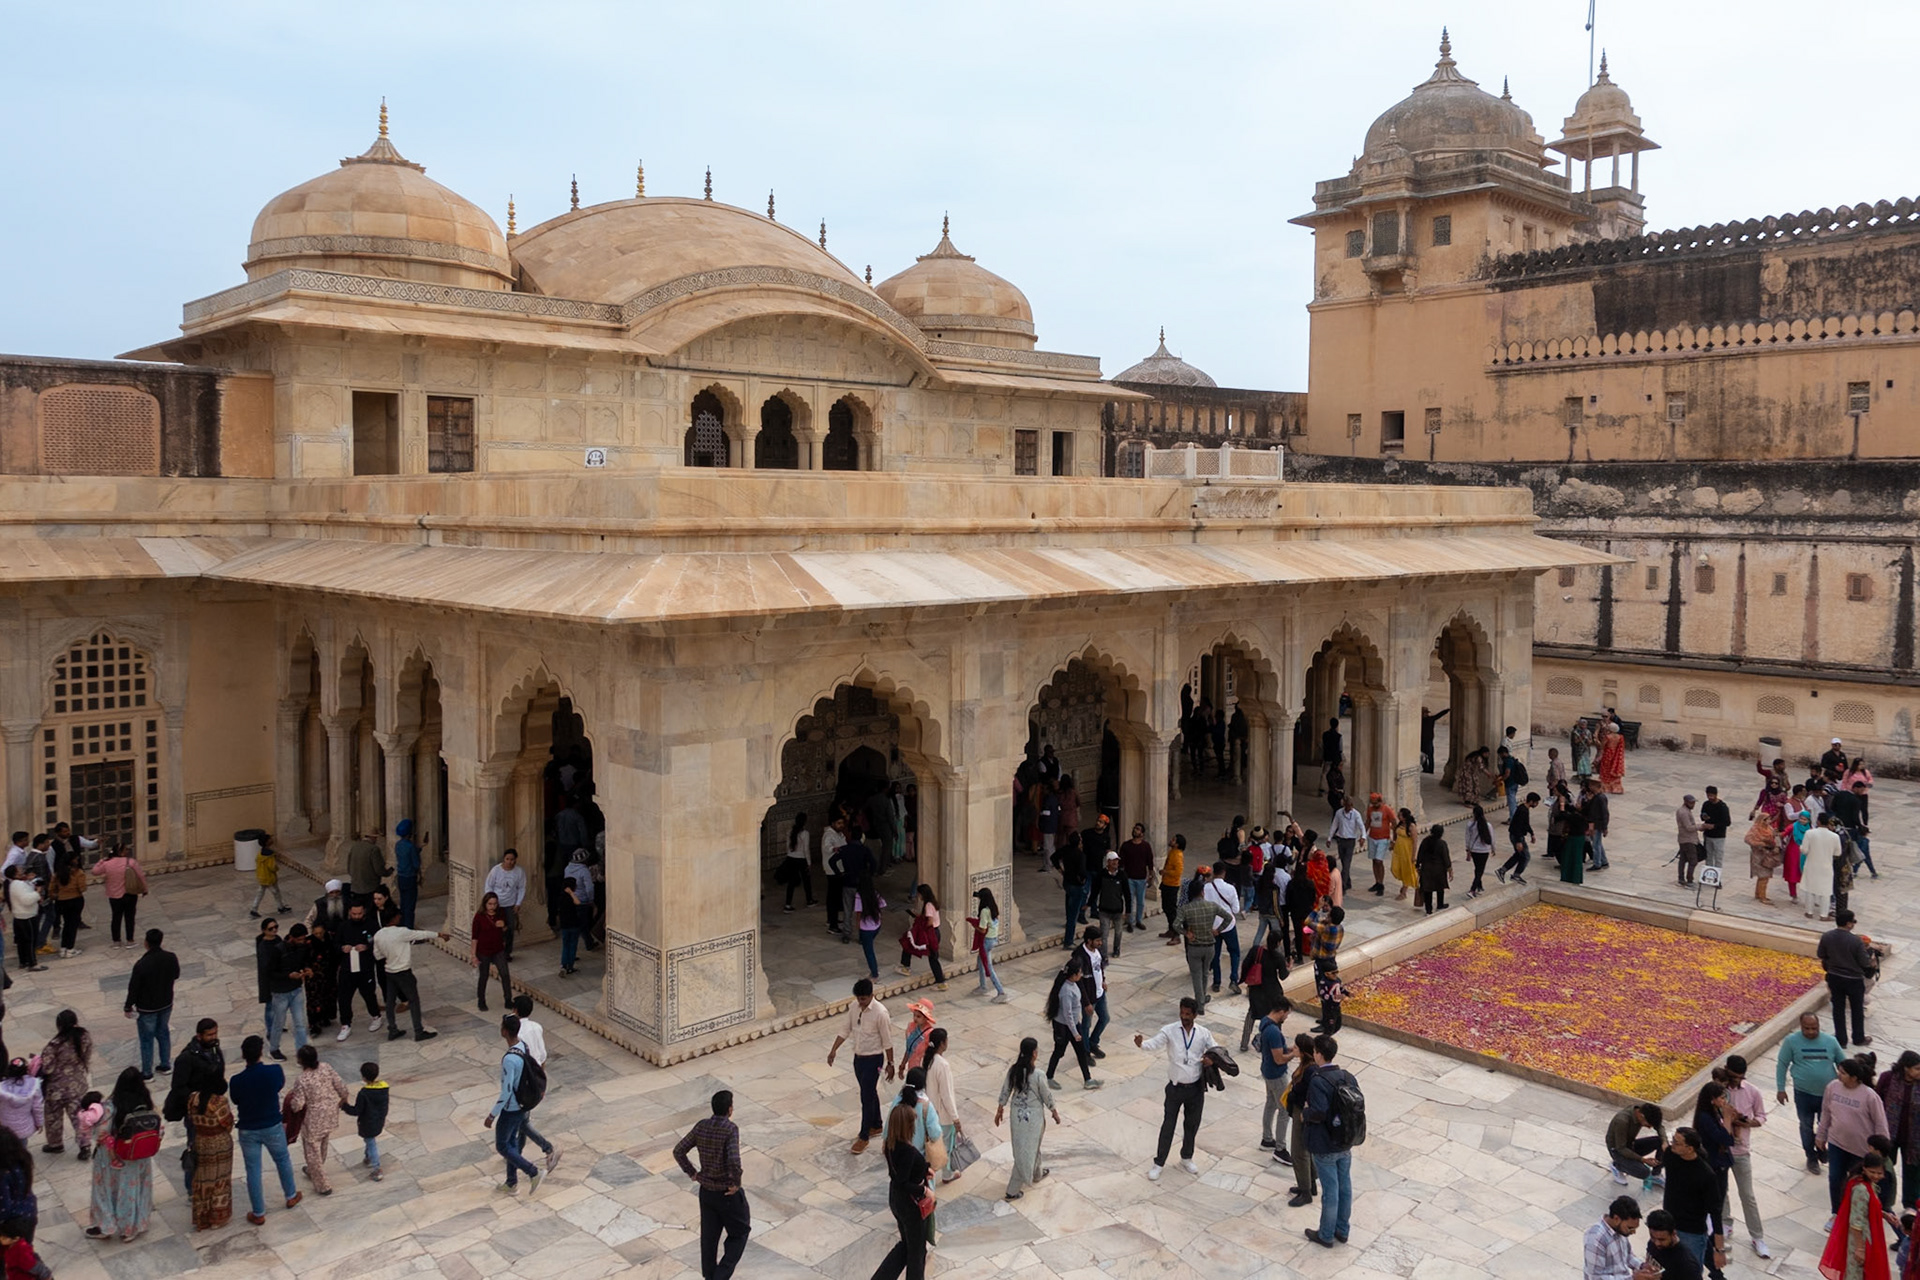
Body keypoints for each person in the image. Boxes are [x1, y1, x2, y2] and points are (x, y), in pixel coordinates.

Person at [1136, 997, 1217, 1180]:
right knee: (1168, 1126)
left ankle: (1186, 1157)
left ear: (1195, 1015)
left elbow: (1217, 1049)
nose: (1184, 1017)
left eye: (1188, 1014)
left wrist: (1211, 1058)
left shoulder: (1203, 1033)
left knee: (1192, 1124)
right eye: (1182, 1013)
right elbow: (1155, 1043)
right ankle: (1158, 1163)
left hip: (1195, 1088)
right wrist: (1141, 1044)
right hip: (1175, 1088)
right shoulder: (1169, 1031)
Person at [675, 1089, 749, 1280]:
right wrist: (736, 1182)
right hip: (727, 1194)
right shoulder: (730, 1129)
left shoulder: (701, 1126)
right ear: (730, 1109)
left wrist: (692, 1172)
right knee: (740, 1233)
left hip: (706, 1192)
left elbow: (679, 1150)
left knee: (708, 1242)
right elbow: (734, 1160)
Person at [229, 1034, 300, 1226]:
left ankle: (259, 1212)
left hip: (248, 1129)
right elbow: (279, 1086)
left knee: (253, 1170)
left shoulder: (236, 1080)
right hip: (271, 1125)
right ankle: (291, 1195)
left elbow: (235, 1099)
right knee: (282, 1159)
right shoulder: (274, 1071)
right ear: (260, 1053)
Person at [1301, 1033, 1361, 1249]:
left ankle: (1326, 1234)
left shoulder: (1318, 1080)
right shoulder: (1348, 1076)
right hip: (1345, 1141)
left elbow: (1319, 1112)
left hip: (1325, 1144)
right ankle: (1342, 1230)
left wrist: (1305, 1114)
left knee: (1331, 1191)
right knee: (1345, 1187)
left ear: (1318, 1053)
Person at [85, 1067, 156, 1242]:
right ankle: (130, 1229)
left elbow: (101, 1132)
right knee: (133, 1191)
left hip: (113, 1157)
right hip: (138, 1157)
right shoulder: (146, 1104)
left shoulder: (110, 1107)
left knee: (104, 1192)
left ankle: (105, 1226)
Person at [827, 978, 895, 1154]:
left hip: (874, 1059)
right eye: (859, 998)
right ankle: (877, 1124)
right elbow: (845, 1029)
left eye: (863, 999)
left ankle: (863, 1136)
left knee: (866, 1096)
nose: (861, 1002)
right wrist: (833, 1050)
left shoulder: (881, 1013)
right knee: (869, 1091)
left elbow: (888, 1041)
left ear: (872, 995)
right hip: (858, 1058)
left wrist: (891, 1063)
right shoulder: (854, 1007)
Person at [1821, 1056, 1891, 1214]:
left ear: (1854, 1077)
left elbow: (1880, 1123)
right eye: (1839, 1071)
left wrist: (1882, 1150)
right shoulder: (1832, 1087)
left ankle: (1855, 1214)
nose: (1839, 1075)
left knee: (1857, 1184)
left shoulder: (1870, 1096)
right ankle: (1836, 1212)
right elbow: (1826, 1112)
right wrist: (1821, 1135)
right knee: (1835, 1179)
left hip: (1860, 1149)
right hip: (1836, 1143)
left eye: (1843, 1073)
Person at [1779, 1012, 1847, 1173]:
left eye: (1814, 1028)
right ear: (1801, 1026)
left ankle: (1822, 1150)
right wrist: (1781, 1088)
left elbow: (1843, 1064)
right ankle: (1811, 1156)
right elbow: (1782, 1065)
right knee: (1806, 1126)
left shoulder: (1830, 1041)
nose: (1810, 1032)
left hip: (1827, 1095)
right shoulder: (1791, 1042)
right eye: (1806, 1028)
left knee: (1826, 1125)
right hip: (1803, 1094)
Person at [485, 1015, 545, 1195]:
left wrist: (492, 1114)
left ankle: (533, 1172)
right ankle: (511, 1182)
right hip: (522, 1105)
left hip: (511, 1108)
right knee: (511, 1143)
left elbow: (507, 1090)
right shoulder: (522, 1046)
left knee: (502, 1146)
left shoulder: (510, 1059)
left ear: (504, 1031)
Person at [871, 1097, 931, 1280]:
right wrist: (924, 1191)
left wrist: (924, 1169)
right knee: (917, 1250)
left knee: (907, 1245)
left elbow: (900, 1176)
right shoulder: (909, 1152)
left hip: (896, 1200)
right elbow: (904, 1183)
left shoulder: (890, 1146)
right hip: (909, 1205)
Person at [995, 1036, 1058, 1201]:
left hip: (1017, 1117)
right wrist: (1054, 1111)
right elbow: (1046, 1094)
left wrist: (1000, 1109)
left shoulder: (1013, 1071)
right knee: (1025, 1152)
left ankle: (1036, 1172)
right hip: (1034, 1118)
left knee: (1030, 1146)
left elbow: (1005, 1091)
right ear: (1034, 1053)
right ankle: (1012, 1190)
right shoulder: (1038, 1075)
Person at [1819, 1151, 1900, 1280]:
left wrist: (1884, 1214)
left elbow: (1867, 1208)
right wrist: (1860, 1249)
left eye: (1879, 1173)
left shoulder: (1867, 1184)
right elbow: (1856, 1222)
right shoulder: (1861, 1189)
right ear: (1864, 1169)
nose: (1876, 1176)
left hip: (1865, 1237)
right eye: (1872, 1172)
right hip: (1860, 1239)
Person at [1721, 1054, 1771, 1258]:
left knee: (1747, 1195)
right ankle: (1725, 1223)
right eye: (1734, 1077)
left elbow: (1761, 1117)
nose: (1737, 1081)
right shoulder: (1719, 1091)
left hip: (1741, 1151)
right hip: (1721, 1150)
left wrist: (1745, 1123)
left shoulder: (1752, 1091)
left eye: (1740, 1077)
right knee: (1720, 1190)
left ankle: (1757, 1236)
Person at [284, 1044, 349, 1196]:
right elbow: (341, 1085)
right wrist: (343, 1099)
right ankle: (314, 1169)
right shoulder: (326, 1067)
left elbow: (298, 1105)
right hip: (330, 1113)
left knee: (312, 1151)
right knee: (323, 1143)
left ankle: (323, 1185)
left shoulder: (302, 1079)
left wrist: (290, 1102)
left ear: (301, 1061)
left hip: (313, 1119)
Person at [1660, 1127, 1726, 1274]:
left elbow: (1715, 1213)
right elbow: (1665, 1145)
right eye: (1673, 1141)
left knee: (1690, 1273)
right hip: (1668, 1226)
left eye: (1676, 1143)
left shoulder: (1706, 1175)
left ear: (1689, 1148)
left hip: (1691, 1233)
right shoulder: (1671, 1155)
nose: (1672, 1145)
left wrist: (1719, 1250)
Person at [506, 995, 559, 1173]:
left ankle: (548, 1148)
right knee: (523, 1118)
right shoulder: (537, 1027)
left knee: (521, 1122)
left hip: (524, 1080)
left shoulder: (517, 1033)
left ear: (516, 1011)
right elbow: (542, 1054)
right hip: (537, 1076)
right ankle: (517, 1155)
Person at [373, 916, 447, 1042]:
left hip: (390, 972)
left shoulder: (378, 935)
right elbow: (420, 934)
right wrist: (439, 934)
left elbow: (377, 955)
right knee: (413, 1000)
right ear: (394, 918)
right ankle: (418, 1031)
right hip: (403, 973)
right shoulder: (401, 932)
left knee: (390, 1002)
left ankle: (392, 1029)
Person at [1173, 870, 1233, 1013]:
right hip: (1209, 945)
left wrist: (1186, 933)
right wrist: (1218, 930)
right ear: (1202, 892)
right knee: (1205, 973)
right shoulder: (1211, 906)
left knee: (1196, 976)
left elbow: (1175, 925)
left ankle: (1199, 1003)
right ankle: (1202, 998)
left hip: (1194, 946)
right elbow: (1229, 917)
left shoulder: (1186, 909)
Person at [185, 1073, 235, 1231]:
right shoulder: (219, 1102)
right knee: (220, 1179)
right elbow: (228, 1123)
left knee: (203, 1179)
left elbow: (191, 1120)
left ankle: (202, 1216)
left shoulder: (193, 1098)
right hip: (219, 1143)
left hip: (201, 1141)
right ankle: (217, 1217)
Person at [36, 1011, 90, 1155]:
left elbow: (47, 1069)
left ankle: (55, 1144)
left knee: (53, 1117)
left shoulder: (54, 1045)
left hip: (56, 1089)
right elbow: (86, 1056)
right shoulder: (84, 1037)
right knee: (78, 1117)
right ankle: (85, 1145)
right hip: (77, 1085)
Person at [1821, 910, 1875, 1050]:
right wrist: (1872, 961)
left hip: (1834, 977)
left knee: (1838, 1009)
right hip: (1853, 979)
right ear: (1849, 923)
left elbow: (1821, 954)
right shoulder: (1855, 940)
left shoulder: (1827, 936)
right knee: (1857, 1009)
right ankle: (1858, 1038)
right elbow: (1864, 962)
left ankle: (1841, 1039)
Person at [1043, 959, 1099, 1090]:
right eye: (1079, 972)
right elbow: (1067, 1014)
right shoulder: (1066, 991)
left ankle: (1088, 1079)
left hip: (1073, 1024)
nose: (1081, 974)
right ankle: (1048, 1077)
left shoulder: (1074, 985)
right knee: (1059, 1051)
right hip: (1064, 1026)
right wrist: (1075, 1033)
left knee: (1081, 1052)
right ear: (1073, 975)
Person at [1878, 1051, 1920, 1212]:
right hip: (1889, 1135)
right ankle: (1883, 1202)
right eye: (1916, 1069)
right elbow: (1877, 1101)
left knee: (1913, 1173)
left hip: (1914, 1139)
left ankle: (1910, 1205)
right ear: (1906, 1068)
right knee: (1885, 1170)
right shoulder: (1888, 1078)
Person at [1255, 994, 1296, 1158]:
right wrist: (1294, 1055)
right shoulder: (1273, 1031)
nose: (1286, 1017)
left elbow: (1277, 1050)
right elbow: (1279, 1059)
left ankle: (1267, 1139)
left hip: (1267, 1070)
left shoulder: (1265, 1022)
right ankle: (1280, 1148)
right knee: (1285, 1110)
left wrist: (1290, 1049)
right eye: (1287, 1014)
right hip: (1276, 1075)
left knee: (1271, 1103)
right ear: (1281, 1011)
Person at [1283, 1030, 1320, 1203]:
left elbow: (1306, 1093)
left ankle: (1305, 1192)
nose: (1293, 1048)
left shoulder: (1310, 1070)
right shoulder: (1307, 1066)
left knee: (1299, 1152)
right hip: (1298, 1110)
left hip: (1302, 1113)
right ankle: (1309, 1184)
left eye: (1296, 1047)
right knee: (1304, 1150)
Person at [1584, 1195, 1657, 1280]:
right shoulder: (1596, 1239)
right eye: (1630, 1228)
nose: (1633, 1232)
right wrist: (1632, 1278)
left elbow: (1628, 1255)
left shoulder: (1619, 1230)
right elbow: (1596, 1278)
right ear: (1616, 1219)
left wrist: (1641, 1266)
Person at [339, 1062, 389, 1184]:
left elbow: (356, 1111)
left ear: (363, 1077)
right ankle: (368, 1157)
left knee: (371, 1143)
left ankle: (377, 1168)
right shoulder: (384, 1089)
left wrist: (344, 1106)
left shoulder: (364, 1094)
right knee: (369, 1140)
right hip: (379, 1120)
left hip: (367, 1123)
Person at [923, 1028, 961, 1185]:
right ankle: (947, 1173)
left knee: (936, 1143)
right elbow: (946, 1095)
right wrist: (955, 1118)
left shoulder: (927, 1061)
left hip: (931, 1111)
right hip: (943, 1114)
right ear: (942, 1043)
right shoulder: (942, 1065)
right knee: (947, 1145)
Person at [1070, 926, 1112, 1058]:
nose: (1100, 943)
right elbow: (1079, 982)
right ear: (1089, 940)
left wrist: (1103, 980)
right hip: (1089, 996)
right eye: (1098, 941)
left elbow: (1099, 967)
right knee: (1086, 1025)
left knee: (1105, 1018)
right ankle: (1085, 1051)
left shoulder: (1097, 951)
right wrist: (1086, 1002)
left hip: (1100, 992)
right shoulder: (1080, 956)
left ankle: (1093, 1043)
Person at [92, 843, 142, 947]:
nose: (127, 851)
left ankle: (116, 941)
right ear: (120, 852)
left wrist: (102, 861)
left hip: (114, 896)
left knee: (116, 917)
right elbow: (140, 876)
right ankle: (130, 940)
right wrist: (144, 889)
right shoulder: (131, 862)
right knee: (130, 918)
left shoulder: (107, 863)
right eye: (125, 850)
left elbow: (95, 871)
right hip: (130, 894)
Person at [896, 884, 946, 987]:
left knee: (910, 945)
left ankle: (941, 982)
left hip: (929, 933)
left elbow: (930, 921)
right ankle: (940, 980)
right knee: (931, 956)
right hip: (935, 932)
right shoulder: (933, 903)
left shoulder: (928, 905)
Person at [472, 891, 513, 1012]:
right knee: (484, 976)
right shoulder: (479, 917)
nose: (492, 907)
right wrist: (473, 955)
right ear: (485, 904)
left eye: (494, 904)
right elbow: (474, 937)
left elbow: (506, 929)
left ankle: (508, 999)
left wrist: (503, 926)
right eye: (490, 904)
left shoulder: (500, 913)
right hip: (483, 951)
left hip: (498, 949)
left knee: (505, 974)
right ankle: (481, 1000)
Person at [1606, 1102, 1667, 1185]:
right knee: (1644, 1172)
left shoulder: (1642, 1110)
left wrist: (1664, 1142)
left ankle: (1656, 1175)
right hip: (1618, 1150)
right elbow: (1621, 1148)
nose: (1649, 1128)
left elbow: (1659, 1126)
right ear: (1642, 1116)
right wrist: (1643, 1160)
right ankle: (1617, 1165)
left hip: (1630, 1145)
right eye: (1648, 1125)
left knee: (1661, 1142)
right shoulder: (1622, 1121)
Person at [482, 849, 526, 958]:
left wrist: (518, 903)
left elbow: (521, 888)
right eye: (507, 859)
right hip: (497, 905)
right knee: (495, 929)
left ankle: (507, 953)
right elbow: (489, 886)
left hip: (510, 905)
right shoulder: (496, 870)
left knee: (510, 929)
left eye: (512, 860)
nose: (509, 862)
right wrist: (490, 902)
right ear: (504, 859)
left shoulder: (519, 872)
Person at [1641, 1209, 1704, 1280]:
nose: (1657, 1243)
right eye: (1652, 1237)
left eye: (1662, 1239)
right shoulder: (1653, 1243)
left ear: (1673, 1234)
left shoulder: (1687, 1264)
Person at [1802, 813, 1842, 922]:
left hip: (1811, 864)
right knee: (1826, 891)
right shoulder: (1835, 836)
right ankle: (1823, 914)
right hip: (1826, 866)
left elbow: (1804, 850)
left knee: (1809, 889)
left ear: (1818, 822)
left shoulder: (1809, 833)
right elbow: (1838, 853)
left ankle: (1809, 912)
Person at [970, 887, 1007, 1002]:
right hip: (993, 939)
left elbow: (982, 929)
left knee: (988, 966)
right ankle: (983, 986)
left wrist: (973, 924)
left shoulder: (984, 911)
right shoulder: (993, 908)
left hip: (986, 940)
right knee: (980, 961)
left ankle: (1001, 992)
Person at [1089, 853, 1128, 957]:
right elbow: (1095, 890)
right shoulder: (1102, 874)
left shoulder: (1122, 875)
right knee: (1104, 935)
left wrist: (1128, 910)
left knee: (1118, 932)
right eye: (1113, 860)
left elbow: (1127, 893)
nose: (1115, 863)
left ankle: (1116, 949)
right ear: (1108, 862)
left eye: (1117, 860)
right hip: (1104, 910)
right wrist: (1089, 903)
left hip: (1117, 910)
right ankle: (1104, 955)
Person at [0, 1132, 35, 1245]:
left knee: (14, 1257)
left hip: (13, 1224)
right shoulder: (22, 1161)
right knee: (25, 1252)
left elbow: (4, 1208)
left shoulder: (3, 1175)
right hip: (29, 1213)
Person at [1118, 822, 1153, 932]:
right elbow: (1121, 862)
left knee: (1140, 901)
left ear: (1142, 833)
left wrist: (1151, 875)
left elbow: (1150, 862)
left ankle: (1139, 920)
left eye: (1138, 829)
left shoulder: (1146, 846)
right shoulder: (1126, 845)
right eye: (1134, 828)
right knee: (1130, 901)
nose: (1135, 830)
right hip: (1129, 878)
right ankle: (1130, 922)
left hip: (1141, 878)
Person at [49, 855, 86, 959]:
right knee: (73, 925)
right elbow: (82, 888)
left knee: (66, 924)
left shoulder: (57, 874)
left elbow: (51, 889)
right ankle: (70, 949)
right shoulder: (78, 873)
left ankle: (63, 948)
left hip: (61, 901)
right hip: (75, 900)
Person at [1499, 792, 1540, 886]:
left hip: (1517, 835)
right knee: (1526, 856)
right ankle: (1516, 875)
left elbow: (1526, 824)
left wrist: (1532, 833)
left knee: (1518, 855)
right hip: (1517, 836)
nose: (1536, 804)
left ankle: (1502, 870)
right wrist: (1518, 841)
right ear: (1531, 801)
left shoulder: (1524, 809)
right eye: (1536, 802)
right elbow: (1517, 826)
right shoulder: (1523, 810)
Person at [779, 811, 814, 912]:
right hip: (801, 859)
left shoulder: (790, 831)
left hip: (791, 858)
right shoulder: (805, 833)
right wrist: (809, 862)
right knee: (806, 880)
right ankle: (809, 900)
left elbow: (787, 846)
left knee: (791, 882)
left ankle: (788, 904)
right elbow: (806, 849)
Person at [821, 814, 850, 936]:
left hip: (839, 868)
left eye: (842, 823)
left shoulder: (839, 834)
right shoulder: (828, 834)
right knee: (833, 897)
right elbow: (827, 847)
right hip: (833, 870)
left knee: (834, 896)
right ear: (832, 823)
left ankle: (832, 919)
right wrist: (834, 849)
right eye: (838, 823)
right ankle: (833, 925)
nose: (841, 825)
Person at [1746, 810, 1782, 904]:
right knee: (1763, 876)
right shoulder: (1755, 829)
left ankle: (1759, 894)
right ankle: (1762, 896)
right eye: (1767, 819)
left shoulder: (1769, 828)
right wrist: (1760, 844)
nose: (1769, 821)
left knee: (1764, 876)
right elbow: (1748, 839)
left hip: (1768, 855)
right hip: (1758, 855)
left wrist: (1776, 847)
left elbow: (1775, 837)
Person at [1415, 823, 1453, 914]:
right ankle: (1440, 904)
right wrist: (1450, 870)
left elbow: (1420, 854)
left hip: (1427, 868)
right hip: (1439, 869)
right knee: (1440, 887)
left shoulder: (1425, 841)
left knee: (1428, 889)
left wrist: (1417, 865)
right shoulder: (1442, 844)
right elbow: (1446, 858)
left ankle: (1429, 909)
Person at [1328, 798, 1364, 892]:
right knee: (1344, 862)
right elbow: (1334, 825)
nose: (1348, 808)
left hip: (1350, 841)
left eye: (1350, 806)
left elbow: (1361, 826)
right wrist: (1329, 838)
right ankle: (1348, 881)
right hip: (1341, 840)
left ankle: (1342, 885)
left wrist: (1363, 837)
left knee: (1347, 863)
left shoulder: (1356, 814)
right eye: (1347, 805)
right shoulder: (1339, 813)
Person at [1362, 793, 1394, 896]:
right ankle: (1377, 881)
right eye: (1373, 803)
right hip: (1372, 837)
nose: (1375, 805)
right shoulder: (1370, 810)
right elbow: (1368, 822)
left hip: (1383, 838)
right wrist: (1363, 835)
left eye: (1376, 803)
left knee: (1379, 860)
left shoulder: (1386, 809)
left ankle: (1381, 883)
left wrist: (1394, 839)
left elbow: (1394, 822)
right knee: (1374, 860)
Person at [1158, 834, 1186, 942]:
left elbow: (1178, 871)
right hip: (1166, 883)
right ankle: (1171, 929)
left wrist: (1166, 872)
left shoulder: (1178, 855)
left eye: (1174, 840)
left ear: (1177, 844)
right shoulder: (1172, 852)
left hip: (1172, 885)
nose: (1171, 840)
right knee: (1166, 907)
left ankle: (1176, 934)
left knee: (1171, 910)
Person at [0, 1067, 39, 1145]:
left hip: (5, 1127)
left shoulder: (2, 1088)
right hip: (23, 1127)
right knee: (22, 1146)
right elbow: (37, 1108)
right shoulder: (33, 1086)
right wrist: (39, 1123)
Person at [1699, 787, 1732, 871]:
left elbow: (1727, 822)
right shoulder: (1706, 804)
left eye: (1712, 795)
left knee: (1718, 856)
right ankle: (1708, 874)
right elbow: (1702, 815)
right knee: (1708, 856)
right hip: (1708, 835)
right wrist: (1704, 817)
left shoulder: (1722, 807)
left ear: (1716, 795)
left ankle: (1717, 876)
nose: (1710, 797)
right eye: (1708, 795)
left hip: (1719, 836)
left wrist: (1714, 826)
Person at [1675, 794, 1705, 887]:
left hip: (1684, 839)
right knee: (1693, 860)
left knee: (1683, 859)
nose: (1693, 805)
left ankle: (1681, 878)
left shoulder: (1685, 811)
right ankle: (1689, 880)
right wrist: (1701, 826)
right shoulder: (1684, 812)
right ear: (1686, 802)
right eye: (1691, 803)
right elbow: (1688, 827)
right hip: (1688, 840)